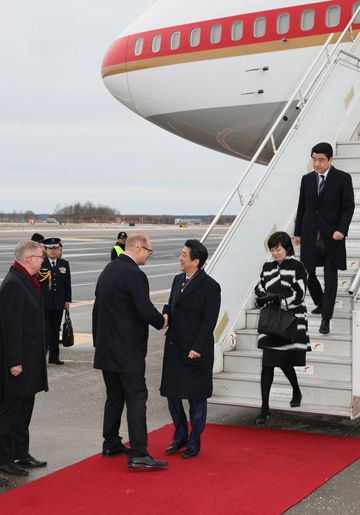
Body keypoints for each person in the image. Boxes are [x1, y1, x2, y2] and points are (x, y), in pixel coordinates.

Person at [93, 233, 168, 469]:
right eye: (149, 251)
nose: (149, 255)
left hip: (107, 348)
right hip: (127, 350)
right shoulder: (134, 274)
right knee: (137, 398)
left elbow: (98, 309)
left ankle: (111, 442)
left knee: (114, 396)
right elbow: (145, 310)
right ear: (138, 247)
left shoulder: (109, 269)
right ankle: (138, 453)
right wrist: (163, 320)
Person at [160, 239, 221, 459]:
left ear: (195, 261)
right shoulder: (177, 280)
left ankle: (194, 441)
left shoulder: (211, 286)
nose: (180, 257)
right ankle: (180, 437)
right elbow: (170, 304)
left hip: (195, 351)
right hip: (175, 347)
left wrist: (198, 347)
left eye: (184, 255)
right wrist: (165, 316)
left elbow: (209, 321)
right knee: (172, 396)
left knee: (196, 399)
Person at [294, 142, 355, 334]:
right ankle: (320, 302)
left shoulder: (343, 179)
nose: (316, 164)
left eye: (321, 160)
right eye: (314, 159)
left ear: (330, 159)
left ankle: (326, 318)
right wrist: (298, 232)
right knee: (308, 272)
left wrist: (341, 230)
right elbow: (302, 206)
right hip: (310, 234)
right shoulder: (306, 179)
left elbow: (348, 207)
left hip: (332, 236)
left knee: (331, 278)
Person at [0, 240, 48, 479]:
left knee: (25, 409)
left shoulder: (28, 280)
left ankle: (21, 452)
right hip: (18, 362)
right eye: (41, 256)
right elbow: (11, 328)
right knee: (11, 410)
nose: (43, 260)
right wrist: (14, 361)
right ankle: (4, 458)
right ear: (29, 258)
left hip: (30, 359)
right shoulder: (13, 284)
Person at [254, 232, 310, 424]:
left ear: (287, 247)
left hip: (290, 319)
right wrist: (263, 296)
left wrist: (277, 298)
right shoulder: (267, 267)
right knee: (267, 363)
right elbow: (259, 287)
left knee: (285, 360)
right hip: (271, 320)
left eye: (278, 249)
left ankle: (296, 389)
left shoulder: (297, 266)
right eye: (272, 249)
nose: (275, 253)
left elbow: (300, 294)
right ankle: (264, 408)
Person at [38, 237, 72, 365]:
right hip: (44, 303)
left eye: (56, 248)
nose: (53, 251)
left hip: (58, 303)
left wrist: (67, 300)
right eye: (50, 249)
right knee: (46, 330)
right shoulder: (41, 263)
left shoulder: (64, 264)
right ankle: (42, 356)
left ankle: (54, 356)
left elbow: (67, 284)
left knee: (55, 329)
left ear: (59, 249)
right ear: (45, 250)